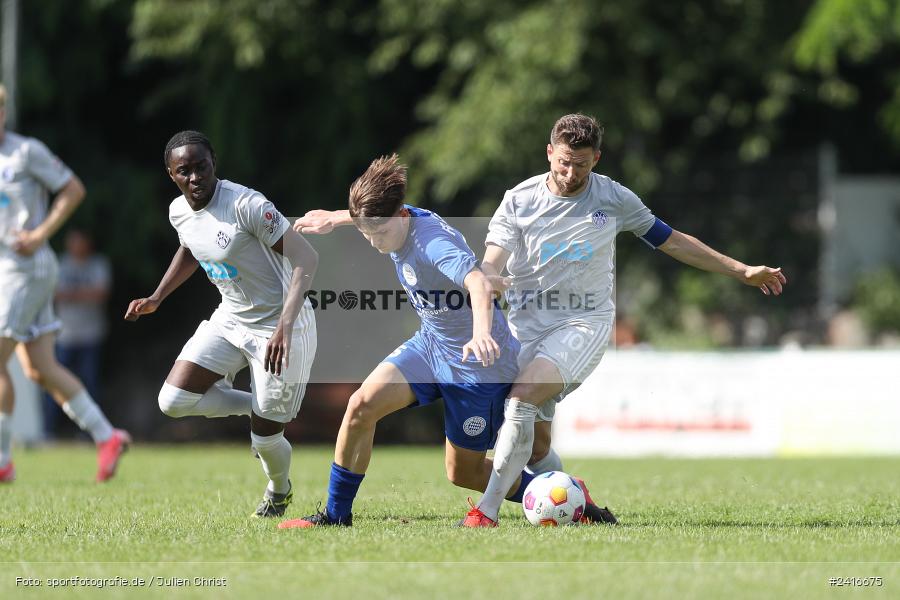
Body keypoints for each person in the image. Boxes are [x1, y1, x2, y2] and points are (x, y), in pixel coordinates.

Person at [463, 113, 789, 526]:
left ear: (596, 159)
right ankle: (580, 504)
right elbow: (491, 260)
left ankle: (485, 513)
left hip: (584, 323)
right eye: (563, 161)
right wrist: (491, 279)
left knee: (521, 398)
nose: (569, 172)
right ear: (549, 153)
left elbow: (673, 241)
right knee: (538, 445)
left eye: (580, 164)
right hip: (526, 326)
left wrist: (740, 270)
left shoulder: (613, 198)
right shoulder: (519, 199)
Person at [278, 154, 528, 528]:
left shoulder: (432, 244)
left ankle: (557, 495)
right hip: (431, 346)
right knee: (361, 405)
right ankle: (335, 516)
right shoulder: (391, 216)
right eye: (367, 233)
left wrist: (480, 333)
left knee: (464, 474)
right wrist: (335, 216)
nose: (375, 242)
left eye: (380, 233)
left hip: (478, 364)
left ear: (401, 217)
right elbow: (369, 219)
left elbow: (478, 281)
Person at [124, 130, 318, 517]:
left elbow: (306, 258)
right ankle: (256, 408)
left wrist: (283, 324)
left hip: (282, 325)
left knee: (265, 441)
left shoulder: (247, 205)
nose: (195, 177)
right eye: (185, 171)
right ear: (171, 175)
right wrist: (157, 297)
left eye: (202, 166)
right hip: (230, 318)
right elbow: (191, 248)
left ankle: (279, 490)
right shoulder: (179, 211)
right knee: (173, 401)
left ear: (214, 162)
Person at [0, 84, 129, 483]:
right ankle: (107, 437)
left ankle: (2, 461)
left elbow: (73, 190)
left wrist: (40, 234)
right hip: (6, 268)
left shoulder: (25, 151)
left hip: (27, 267)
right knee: (39, 368)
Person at [43, 229, 111, 438]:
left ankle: (92, 432)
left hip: (91, 335)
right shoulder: (61, 263)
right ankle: (48, 429)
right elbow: (53, 293)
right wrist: (83, 294)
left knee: (90, 383)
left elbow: (100, 293)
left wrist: (70, 294)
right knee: (54, 383)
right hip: (65, 335)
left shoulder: (98, 264)